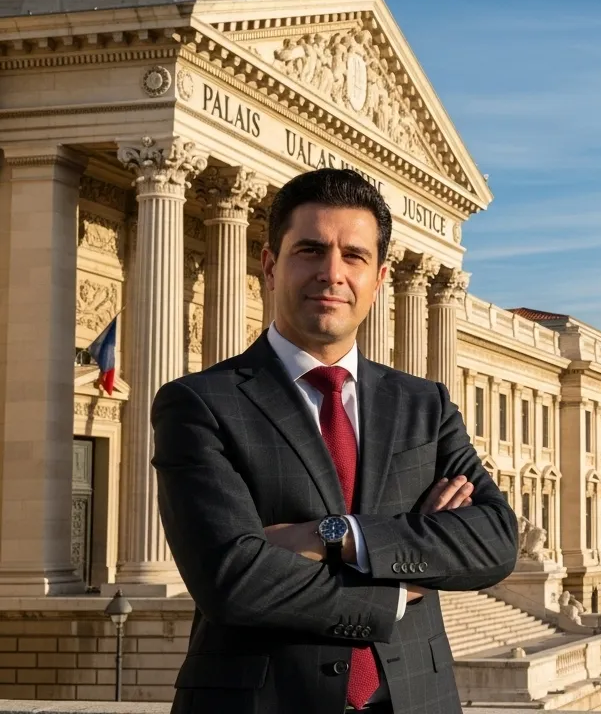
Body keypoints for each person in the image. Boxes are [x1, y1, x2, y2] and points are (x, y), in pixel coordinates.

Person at [153, 169, 520, 714]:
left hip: (417, 697)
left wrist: (334, 536)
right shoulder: (199, 403)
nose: (332, 273)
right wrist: (396, 588)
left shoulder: (424, 405)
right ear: (270, 265)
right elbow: (231, 578)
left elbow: (493, 541)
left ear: (379, 277)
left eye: (354, 256)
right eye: (309, 250)